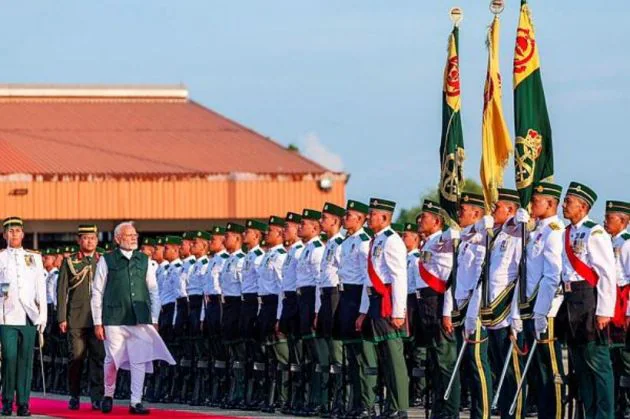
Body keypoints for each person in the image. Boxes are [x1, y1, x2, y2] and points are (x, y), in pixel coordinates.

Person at [91, 221, 175, 415]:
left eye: (135, 234)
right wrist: (97, 322)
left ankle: (135, 401)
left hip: (140, 318)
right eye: (129, 235)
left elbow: (153, 291)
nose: (134, 237)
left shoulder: (144, 260)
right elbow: (97, 291)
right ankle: (108, 394)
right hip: (114, 318)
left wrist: (154, 318)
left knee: (139, 360)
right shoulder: (107, 260)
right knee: (112, 359)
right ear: (118, 238)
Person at [557, 182, 616, 419]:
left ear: (583, 206)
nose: (564, 205)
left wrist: (604, 310)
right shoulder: (566, 233)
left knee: (598, 366)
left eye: (568, 201)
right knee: (581, 366)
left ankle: (604, 414)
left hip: (590, 302)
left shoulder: (595, 232)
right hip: (571, 301)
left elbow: (606, 274)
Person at [513, 182, 565, 419]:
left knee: (550, 370)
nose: (532, 204)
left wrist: (541, 312)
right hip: (530, 307)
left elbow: (553, 276)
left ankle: (553, 414)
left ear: (551, 204)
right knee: (536, 370)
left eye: (536, 201)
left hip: (546, 310)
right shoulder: (536, 231)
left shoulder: (554, 232)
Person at [358, 197, 409, 418]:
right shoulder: (375, 241)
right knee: (375, 358)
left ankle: (399, 407)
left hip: (387, 305)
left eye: (373, 214)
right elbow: (367, 280)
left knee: (394, 359)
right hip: (373, 304)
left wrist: (399, 312)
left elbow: (399, 277)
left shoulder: (392, 240)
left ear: (385, 217)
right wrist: (362, 312)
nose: (369, 218)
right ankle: (378, 406)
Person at [415, 200, 458, 418]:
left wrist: (447, 313)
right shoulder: (429, 243)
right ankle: (439, 408)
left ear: (437, 221)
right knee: (434, 361)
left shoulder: (442, 241)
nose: (420, 220)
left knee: (445, 363)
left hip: (439, 304)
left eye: (424, 217)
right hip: (425, 305)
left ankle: (450, 411)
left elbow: (449, 280)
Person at [0, 217, 47, 417]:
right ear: (4, 235)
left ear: (23, 234)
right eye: (10, 231)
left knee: (26, 361)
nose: (14, 234)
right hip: (6, 316)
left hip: (29, 315)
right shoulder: (1, 257)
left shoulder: (33, 257)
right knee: (9, 358)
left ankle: (24, 403)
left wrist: (42, 316)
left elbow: (40, 288)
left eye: (18, 231)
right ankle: (7, 400)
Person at [334, 200, 375, 418]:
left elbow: (367, 278)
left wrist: (363, 311)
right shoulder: (346, 242)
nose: (344, 218)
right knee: (350, 356)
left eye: (348, 215)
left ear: (360, 219)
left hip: (358, 296)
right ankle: (355, 403)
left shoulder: (363, 242)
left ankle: (367, 404)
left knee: (363, 357)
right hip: (345, 296)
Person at [57, 225, 105, 410]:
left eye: (92, 238)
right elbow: (61, 291)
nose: (89, 241)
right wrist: (62, 317)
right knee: (76, 359)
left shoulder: (103, 260)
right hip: (75, 318)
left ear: (97, 240)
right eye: (85, 238)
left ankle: (96, 397)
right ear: (78, 240)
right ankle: (74, 394)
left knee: (98, 358)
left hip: (98, 319)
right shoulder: (69, 262)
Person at [315, 202, 346, 416]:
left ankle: (340, 400)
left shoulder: (342, 243)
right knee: (326, 349)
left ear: (335, 221)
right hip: (325, 297)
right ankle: (328, 400)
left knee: (337, 350)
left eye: (324, 218)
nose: (320, 222)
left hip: (336, 295)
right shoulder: (328, 244)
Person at [256, 216, 289, 413]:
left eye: (270, 231)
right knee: (268, 354)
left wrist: (278, 316)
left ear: (278, 234)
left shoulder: (280, 256)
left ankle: (282, 398)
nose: (266, 234)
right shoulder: (269, 255)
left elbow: (281, 288)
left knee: (280, 355)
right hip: (265, 306)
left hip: (275, 305)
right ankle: (270, 397)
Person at [295, 209, 326, 416]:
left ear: (314, 228)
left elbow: (318, 283)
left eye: (303, 224)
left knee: (319, 355)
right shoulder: (306, 249)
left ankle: (320, 400)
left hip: (312, 300)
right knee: (308, 356)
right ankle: (310, 398)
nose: (299, 227)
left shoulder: (316, 249)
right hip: (302, 301)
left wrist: (316, 311)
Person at [276, 212, 305, 414]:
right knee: (293, 354)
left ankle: (300, 398)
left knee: (300, 354)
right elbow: (282, 286)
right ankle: (292, 399)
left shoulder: (301, 250)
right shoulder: (291, 252)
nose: (283, 231)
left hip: (298, 302)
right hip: (288, 303)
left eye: (288, 227)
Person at [605, 200, 630, 418]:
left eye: (609, 218)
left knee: (625, 361)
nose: (605, 222)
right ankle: (617, 406)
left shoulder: (627, 244)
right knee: (612, 359)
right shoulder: (607, 242)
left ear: (622, 220)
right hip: (610, 301)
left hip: (623, 303)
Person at [203, 226, 230, 407]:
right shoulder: (212, 261)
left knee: (223, 346)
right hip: (210, 304)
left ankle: (226, 389)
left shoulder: (225, 260)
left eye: (214, 239)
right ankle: (217, 391)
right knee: (213, 345)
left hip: (221, 303)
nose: (210, 243)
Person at [185, 231, 211, 406]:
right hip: (190, 306)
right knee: (193, 349)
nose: (192, 246)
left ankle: (205, 392)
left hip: (202, 307)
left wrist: (202, 316)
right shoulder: (195, 265)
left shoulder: (204, 264)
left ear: (204, 246)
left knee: (204, 349)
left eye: (195, 243)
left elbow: (205, 295)